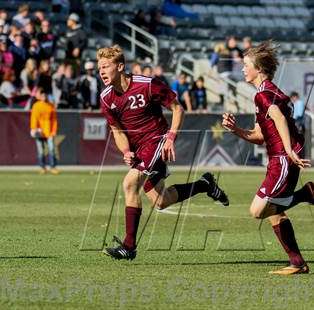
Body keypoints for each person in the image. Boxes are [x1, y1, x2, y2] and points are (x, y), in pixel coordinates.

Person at [97, 45, 229, 260]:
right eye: (99, 67)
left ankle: (129, 246)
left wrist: (170, 137)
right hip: (140, 150)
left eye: (105, 66)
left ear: (120, 66)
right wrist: (126, 151)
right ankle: (205, 185)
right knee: (161, 201)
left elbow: (178, 108)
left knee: (130, 184)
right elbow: (117, 130)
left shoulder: (146, 85)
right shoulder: (106, 97)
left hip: (157, 140)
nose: (101, 71)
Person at [222, 41, 314, 275]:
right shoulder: (267, 92)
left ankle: (305, 194)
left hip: (283, 157)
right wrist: (235, 130)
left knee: (258, 210)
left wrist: (289, 151)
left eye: (245, 65)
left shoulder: (264, 95)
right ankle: (297, 263)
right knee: (273, 211)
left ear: (258, 69)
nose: (242, 69)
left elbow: (279, 119)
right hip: (279, 156)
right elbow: (259, 136)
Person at [30, 87, 58, 174]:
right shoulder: (36, 106)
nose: (43, 96)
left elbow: (54, 119)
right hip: (39, 132)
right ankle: (42, 167)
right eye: (42, 94)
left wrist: (54, 130)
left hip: (49, 131)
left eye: (44, 94)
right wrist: (34, 129)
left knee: (51, 149)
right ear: (39, 96)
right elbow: (34, 119)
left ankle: (53, 167)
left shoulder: (51, 105)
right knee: (41, 151)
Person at [64, 13, 87, 77]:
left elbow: (84, 42)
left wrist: (78, 48)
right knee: (66, 74)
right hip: (67, 57)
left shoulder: (80, 31)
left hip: (76, 59)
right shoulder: (68, 31)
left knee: (76, 74)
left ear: (73, 21)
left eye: (69, 19)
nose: (67, 21)